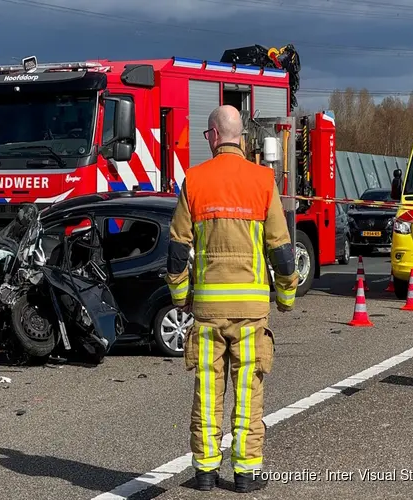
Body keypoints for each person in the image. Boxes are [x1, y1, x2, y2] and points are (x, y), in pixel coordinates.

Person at [165, 105, 298, 493]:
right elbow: (282, 249)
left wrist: (180, 297)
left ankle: (205, 472)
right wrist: (286, 296)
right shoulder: (262, 180)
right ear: (242, 138)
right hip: (252, 314)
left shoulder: (195, 180)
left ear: (211, 135)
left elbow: (176, 251)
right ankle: (245, 473)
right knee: (248, 393)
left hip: (207, 312)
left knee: (208, 391)